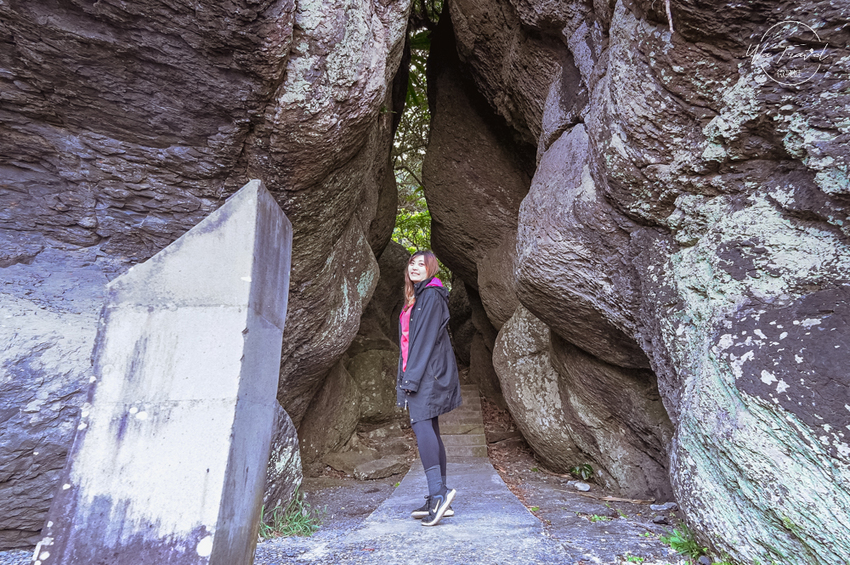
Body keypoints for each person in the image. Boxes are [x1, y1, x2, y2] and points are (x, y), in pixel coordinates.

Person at [397, 250, 462, 527]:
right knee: (430, 430)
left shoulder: (431, 296)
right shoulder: (418, 298)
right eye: (412, 263)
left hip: (428, 375)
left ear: (431, 269)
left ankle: (439, 494)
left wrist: (409, 382)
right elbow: (407, 343)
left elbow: (421, 343)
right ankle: (439, 496)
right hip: (424, 373)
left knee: (422, 426)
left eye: (421, 264)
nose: (415, 267)